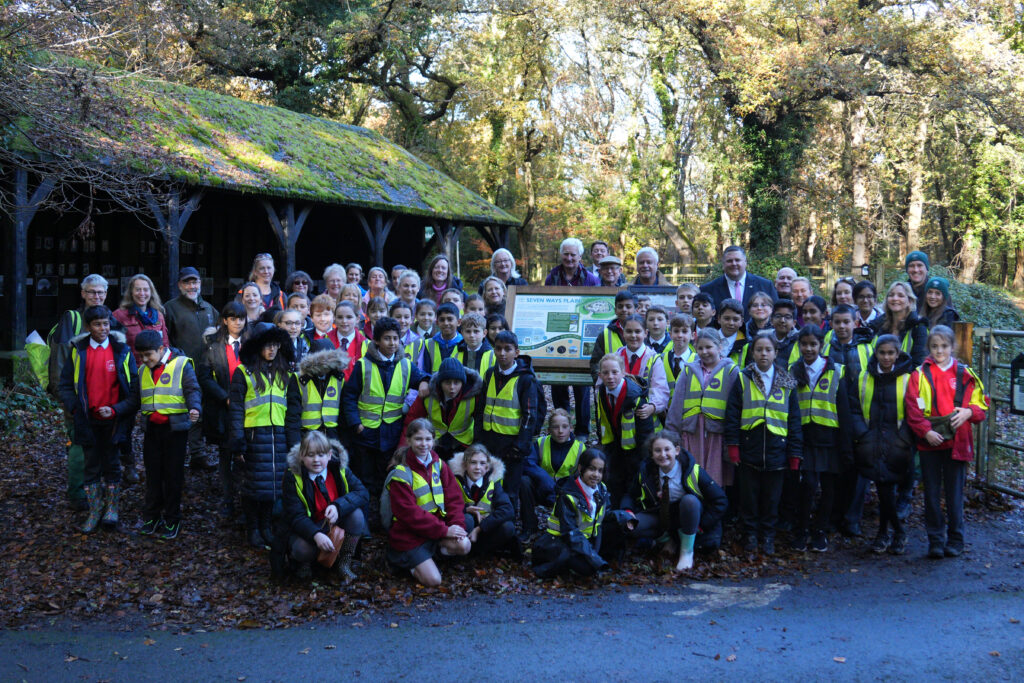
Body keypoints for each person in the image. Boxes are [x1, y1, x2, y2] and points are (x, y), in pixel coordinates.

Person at [905, 326, 988, 558]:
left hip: (957, 442)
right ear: (928, 348)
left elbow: (982, 404)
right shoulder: (919, 375)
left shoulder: (965, 373)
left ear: (953, 347)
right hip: (930, 442)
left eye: (944, 346)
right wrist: (925, 432)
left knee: (954, 494)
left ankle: (956, 539)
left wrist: (969, 413)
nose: (939, 351)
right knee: (931, 493)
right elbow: (912, 409)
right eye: (934, 346)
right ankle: (935, 540)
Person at [57, 305, 139, 533]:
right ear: (88, 326)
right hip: (86, 418)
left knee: (112, 463)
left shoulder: (122, 351)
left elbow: (133, 390)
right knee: (91, 465)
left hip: (113, 419)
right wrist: (75, 408)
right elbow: (65, 385)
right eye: (97, 324)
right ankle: (95, 510)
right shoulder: (78, 350)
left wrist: (116, 410)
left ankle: (112, 509)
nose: (102, 329)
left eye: (105, 324)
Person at [341, 317, 430, 516]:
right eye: (387, 338)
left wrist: (424, 381)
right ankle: (364, 517)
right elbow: (349, 396)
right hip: (365, 432)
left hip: (391, 432)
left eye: (395, 338)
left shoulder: (405, 364)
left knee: (386, 474)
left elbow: (423, 377)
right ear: (377, 341)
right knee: (365, 476)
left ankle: (383, 515)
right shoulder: (363, 365)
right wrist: (355, 423)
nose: (392, 343)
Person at [725, 332, 803, 555]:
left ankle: (767, 535)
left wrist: (794, 455)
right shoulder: (742, 378)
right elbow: (732, 415)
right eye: (759, 350)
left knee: (772, 498)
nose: (763, 354)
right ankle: (750, 534)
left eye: (768, 350)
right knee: (749, 497)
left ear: (776, 353)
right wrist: (733, 447)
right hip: (750, 448)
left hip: (777, 450)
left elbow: (794, 421)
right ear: (752, 353)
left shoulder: (787, 382)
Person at [228, 323, 302, 548]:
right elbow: (236, 408)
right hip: (253, 436)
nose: (271, 349)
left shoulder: (287, 374)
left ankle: (266, 527)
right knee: (253, 485)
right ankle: (253, 529)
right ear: (257, 346)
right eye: (267, 345)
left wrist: (294, 444)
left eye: (275, 345)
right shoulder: (244, 372)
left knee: (273, 485)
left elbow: (293, 412)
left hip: (278, 436)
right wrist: (238, 440)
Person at [847, 334, 915, 555]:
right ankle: (892, 532)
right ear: (875, 353)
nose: (886, 357)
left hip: (898, 441)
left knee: (887, 487)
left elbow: (915, 410)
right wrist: (862, 434)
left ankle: (888, 532)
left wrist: (904, 438)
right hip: (871, 440)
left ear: (898, 354)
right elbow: (855, 406)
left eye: (890, 353)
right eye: (882, 353)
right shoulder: (865, 377)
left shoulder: (909, 378)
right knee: (883, 487)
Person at [788, 325, 852, 553]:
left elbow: (844, 411)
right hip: (804, 438)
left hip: (830, 439)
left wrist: (846, 446)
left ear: (821, 345)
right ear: (799, 346)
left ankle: (820, 531)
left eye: (813, 344)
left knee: (828, 488)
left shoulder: (837, 371)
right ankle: (802, 530)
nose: (808, 349)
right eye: (804, 344)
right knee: (807, 486)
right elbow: (782, 405)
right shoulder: (791, 371)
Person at [384, 419, 470, 587]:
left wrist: (456, 527)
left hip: (435, 530)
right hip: (409, 535)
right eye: (418, 439)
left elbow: (454, 500)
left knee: (464, 544)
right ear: (408, 441)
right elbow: (409, 515)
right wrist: (445, 530)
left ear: (433, 440)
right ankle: (401, 561)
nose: (423, 444)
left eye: (428, 439)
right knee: (433, 581)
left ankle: (430, 556)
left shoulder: (439, 465)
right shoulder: (401, 474)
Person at [624, 431, 727, 570]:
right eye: (657, 450)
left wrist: (703, 524)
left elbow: (720, 500)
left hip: (689, 516)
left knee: (689, 501)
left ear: (677, 450)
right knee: (632, 525)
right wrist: (628, 511)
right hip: (662, 515)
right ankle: (668, 540)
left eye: (667, 449)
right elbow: (630, 495)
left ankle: (686, 552)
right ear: (652, 454)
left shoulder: (693, 471)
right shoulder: (646, 472)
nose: (663, 454)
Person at [133, 330, 201, 540]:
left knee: (173, 476)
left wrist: (195, 408)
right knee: (153, 475)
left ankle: (172, 519)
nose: (145, 360)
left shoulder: (181, 364)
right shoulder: (142, 370)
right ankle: (152, 516)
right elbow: (135, 398)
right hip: (152, 431)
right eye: (141, 356)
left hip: (175, 431)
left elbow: (192, 389)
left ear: (161, 349)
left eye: (148, 355)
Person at [277, 432, 368, 581]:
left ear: (330, 455)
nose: (316, 460)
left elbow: (362, 493)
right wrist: (315, 534)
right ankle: (306, 565)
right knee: (302, 549)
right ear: (301, 456)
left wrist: (339, 507)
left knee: (356, 515)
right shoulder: (292, 477)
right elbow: (295, 516)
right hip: (308, 528)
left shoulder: (339, 468)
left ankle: (344, 563)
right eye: (310, 455)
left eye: (321, 455)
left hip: (334, 522)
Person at [532, 449, 635, 578]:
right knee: (588, 570)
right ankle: (574, 564)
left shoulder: (601, 488)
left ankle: (602, 560)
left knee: (619, 526)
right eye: (592, 469)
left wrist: (624, 516)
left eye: (600, 470)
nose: (596, 475)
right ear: (581, 468)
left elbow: (603, 516)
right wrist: (594, 558)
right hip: (562, 542)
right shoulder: (567, 496)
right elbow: (571, 533)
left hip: (587, 538)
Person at [111, 273, 169, 484]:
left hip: (157, 378)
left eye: (146, 289)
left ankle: (155, 462)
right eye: (137, 289)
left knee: (155, 421)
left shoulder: (159, 315)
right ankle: (129, 464)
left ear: (151, 292)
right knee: (126, 424)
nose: (142, 293)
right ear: (131, 292)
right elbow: (115, 349)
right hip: (132, 378)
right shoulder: (119, 316)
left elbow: (166, 346)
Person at [475, 331, 542, 511]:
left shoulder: (526, 379)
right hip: (489, 440)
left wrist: (520, 446)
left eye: (507, 349)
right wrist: (479, 436)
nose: (502, 353)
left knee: (510, 489)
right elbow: (481, 408)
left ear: (516, 352)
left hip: (512, 444)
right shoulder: (490, 374)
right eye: (498, 349)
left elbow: (530, 415)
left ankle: (509, 528)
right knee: (488, 484)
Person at [666, 328, 739, 491]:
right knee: (692, 475)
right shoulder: (688, 370)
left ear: (719, 347)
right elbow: (676, 405)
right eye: (700, 348)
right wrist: (672, 434)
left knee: (715, 478)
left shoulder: (732, 371)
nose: (704, 352)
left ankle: (716, 511)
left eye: (709, 347)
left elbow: (735, 408)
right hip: (691, 432)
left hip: (716, 434)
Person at [162, 267, 219, 470]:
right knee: (179, 413)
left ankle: (197, 454)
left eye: (194, 282)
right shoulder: (170, 308)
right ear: (179, 285)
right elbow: (165, 340)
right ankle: (172, 457)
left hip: (206, 371)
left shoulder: (209, 309)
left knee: (199, 413)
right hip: (181, 371)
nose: (191, 286)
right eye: (187, 282)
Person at [197, 302, 248, 517]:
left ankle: (246, 501)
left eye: (241, 318)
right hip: (223, 409)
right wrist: (224, 397)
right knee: (226, 456)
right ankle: (228, 500)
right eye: (233, 318)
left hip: (250, 408)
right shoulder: (212, 345)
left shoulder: (251, 343)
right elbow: (204, 377)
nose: (238, 322)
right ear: (225, 320)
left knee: (248, 456)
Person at [594, 352, 655, 507]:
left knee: (633, 479)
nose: (610, 377)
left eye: (615, 372)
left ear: (623, 373)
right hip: (615, 444)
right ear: (600, 374)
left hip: (636, 447)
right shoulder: (601, 391)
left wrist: (644, 456)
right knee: (613, 478)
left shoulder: (635, 396)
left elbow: (645, 431)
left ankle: (632, 511)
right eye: (605, 373)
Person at [519, 409, 585, 536]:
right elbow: (527, 464)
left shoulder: (580, 448)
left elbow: (581, 477)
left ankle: (569, 529)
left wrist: (560, 489)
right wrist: (546, 481)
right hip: (542, 489)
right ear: (549, 430)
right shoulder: (540, 442)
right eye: (555, 427)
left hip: (566, 494)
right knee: (524, 481)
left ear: (571, 428)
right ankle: (529, 526)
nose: (560, 431)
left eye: (564, 427)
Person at [402, 358, 481, 461]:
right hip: (432, 445)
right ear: (440, 383)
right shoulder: (427, 394)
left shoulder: (474, 396)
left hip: (463, 445)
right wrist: (403, 452)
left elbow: (481, 424)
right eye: (447, 383)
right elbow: (411, 421)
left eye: (456, 383)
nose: (452, 387)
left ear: (463, 383)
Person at [449, 444, 519, 558]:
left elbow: (508, 510)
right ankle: (461, 551)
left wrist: (480, 528)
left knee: (508, 527)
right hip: (464, 528)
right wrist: (465, 509)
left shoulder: (494, 482)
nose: (477, 467)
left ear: (487, 468)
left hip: (485, 528)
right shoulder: (455, 481)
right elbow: (447, 505)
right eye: (473, 462)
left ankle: (478, 552)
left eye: (482, 463)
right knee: (468, 520)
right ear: (465, 465)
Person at [617, 314, 670, 416]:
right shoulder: (615, 357)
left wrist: (653, 406)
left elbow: (660, 388)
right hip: (619, 413)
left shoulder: (654, 359)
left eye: (637, 331)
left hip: (645, 414)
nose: (633, 335)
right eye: (629, 331)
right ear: (623, 333)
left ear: (645, 333)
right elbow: (602, 385)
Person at [295, 347, 348, 441]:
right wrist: (295, 443)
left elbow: (344, 413)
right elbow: (293, 416)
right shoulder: (299, 379)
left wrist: (345, 442)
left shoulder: (339, 379)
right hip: (307, 434)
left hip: (333, 434)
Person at [871, 281, 928, 367]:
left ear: (910, 301)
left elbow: (919, 363)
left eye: (900, 295)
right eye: (891, 295)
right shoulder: (878, 325)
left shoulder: (918, 327)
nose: (895, 298)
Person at [701, 246, 777, 310]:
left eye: (737, 260)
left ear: (745, 262)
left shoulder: (766, 286)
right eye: (729, 261)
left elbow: (776, 312)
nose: (734, 264)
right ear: (723, 264)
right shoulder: (708, 290)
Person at [588, 289, 636, 381]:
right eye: (620, 306)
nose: (624, 310)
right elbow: (595, 364)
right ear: (615, 310)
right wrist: (601, 385)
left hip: (637, 388)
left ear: (635, 309)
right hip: (610, 388)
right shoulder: (604, 335)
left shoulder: (643, 333)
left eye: (628, 306)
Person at [660, 314, 696, 405]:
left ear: (692, 335)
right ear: (670, 334)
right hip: (665, 412)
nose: (680, 335)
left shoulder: (698, 360)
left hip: (689, 413)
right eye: (676, 331)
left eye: (684, 331)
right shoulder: (660, 359)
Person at [421, 302, 463, 373]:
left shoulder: (464, 344)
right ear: (437, 323)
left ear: (458, 322)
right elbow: (425, 371)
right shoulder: (428, 344)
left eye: (450, 319)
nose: (446, 323)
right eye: (442, 320)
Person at [334, 301, 368, 380]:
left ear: (357, 319)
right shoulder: (326, 339)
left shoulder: (366, 344)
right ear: (334, 318)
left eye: (349, 317)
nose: (344, 321)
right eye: (340, 317)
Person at [717, 298, 748, 367]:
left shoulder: (746, 345)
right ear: (719, 319)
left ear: (741, 322)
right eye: (727, 318)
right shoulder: (709, 339)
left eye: (735, 319)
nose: (731, 323)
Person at [770, 299, 800, 368]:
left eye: (787, 317)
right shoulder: (764, 340)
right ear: (771, 320)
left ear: (794, 323)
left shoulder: (799, 343)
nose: (782, 320)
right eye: (778, 316)